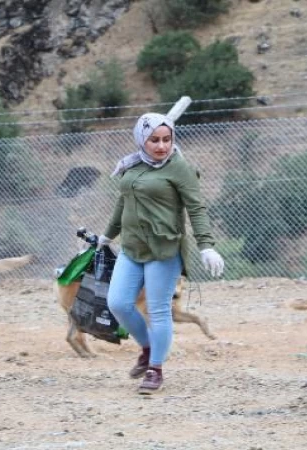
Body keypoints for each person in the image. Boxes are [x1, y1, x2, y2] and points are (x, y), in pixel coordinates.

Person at [99, 112, 224, 394]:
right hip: (132, 247)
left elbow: (196, 207)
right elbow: (124, 203)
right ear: (142, 139)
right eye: (154, 139)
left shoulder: (178, 167)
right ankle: (147, 348)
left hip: (164, 249)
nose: (161, 146)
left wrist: (206, 245)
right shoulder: (132, 166)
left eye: (167, 139)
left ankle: (155, 368)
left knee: (158, 311)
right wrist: (107, 236)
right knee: (118, 303)